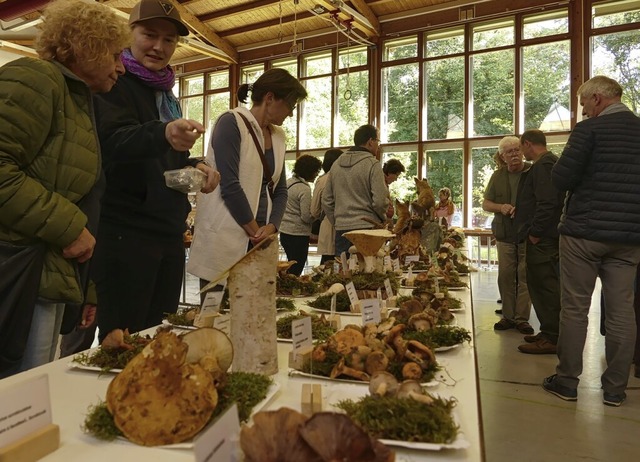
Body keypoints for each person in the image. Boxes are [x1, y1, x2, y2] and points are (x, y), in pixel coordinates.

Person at [0, 0, 130, 377]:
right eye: (115, 54)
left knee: (33, 390)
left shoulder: (76, 98)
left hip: (46, 274)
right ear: (86, 45)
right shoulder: (35, 78)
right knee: (21, 400)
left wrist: (83, 289)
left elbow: (77, 194)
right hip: (20, 271)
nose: (121, 67)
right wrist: (71, 226)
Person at [92, 0, 220, 342]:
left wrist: (196, 166)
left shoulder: (165, 93)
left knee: (159, 334)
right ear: (128, 34)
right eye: (149, 35)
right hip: (125, 233)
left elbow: (165, 162)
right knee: (124, 340)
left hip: (167, 231)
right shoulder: (112, 83)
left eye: (169, 40)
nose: (159, 47)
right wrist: (163, 133)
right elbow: (112, 143)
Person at [543, 76, 640, 406]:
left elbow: (561, 179)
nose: (583, 111)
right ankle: (615, 389)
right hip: (629, 238)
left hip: (583, 234)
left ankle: (567, 381)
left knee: (575, 308)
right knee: (622, 312)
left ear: (597, 99)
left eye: (584, 103)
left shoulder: (588, 131)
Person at [188, 69, 308, 286]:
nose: (291, 113)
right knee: (216, 312)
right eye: (291, 105)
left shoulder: (278, 137)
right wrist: (256, 233)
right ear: (270, 98)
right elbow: (230, 185)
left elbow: (280, 189)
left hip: (261, 238)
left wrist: (272, 227)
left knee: (255, 312)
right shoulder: (231, 122)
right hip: (227, 235)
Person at [515, 129, 564, 355]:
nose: (520, 151)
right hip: (542, 237)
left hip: (542, 240)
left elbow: (547, 202)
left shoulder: (544, 165)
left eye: (520, 147)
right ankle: (547, 332)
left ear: (527, 144)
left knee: (545, 286)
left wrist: (535, 232)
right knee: (539, 284)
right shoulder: (547, 163)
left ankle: (552, 337)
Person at [483, 136, 533, 335]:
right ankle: (508, 317)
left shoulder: (532, 171)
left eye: (517, 150)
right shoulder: (497, 176)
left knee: (524, 276)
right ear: (502, 157)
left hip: (527, 234)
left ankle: (522, 319)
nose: (514, 154)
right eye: (509, 152)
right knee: (505, 275)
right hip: (504, 233)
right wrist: (501, 207)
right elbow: (486, 204)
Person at [322, 124, 388, 257]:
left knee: (344, 272)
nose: (378, 146)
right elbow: (380, 201)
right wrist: (382, 219)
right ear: (370, 142)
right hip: (367, 228)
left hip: (342, 229)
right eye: (378, 142)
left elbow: (326, 199)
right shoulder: (373, 164)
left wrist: (337, 221)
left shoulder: (336, 164)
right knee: (368, 271)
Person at [279, 155, 323, 276]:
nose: (316, 174)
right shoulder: (304, 189)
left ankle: (285, 289)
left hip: (284, 232)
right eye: (316, 171)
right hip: (298, 235)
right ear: (309, 171)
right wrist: (317, 215)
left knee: (290, 265)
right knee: (296, 270)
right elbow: (306, 217)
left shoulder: (287, 183)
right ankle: (291, 291)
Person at [310, 149, 343, 264]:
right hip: (346, 225)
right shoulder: (346, 178)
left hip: (328, 225)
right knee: (344, 263)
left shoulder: (323, 180)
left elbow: (314, 210)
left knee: (327, 264)